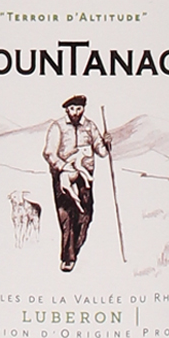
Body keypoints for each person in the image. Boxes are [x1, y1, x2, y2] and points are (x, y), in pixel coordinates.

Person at [43, 95, 111, 272]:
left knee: (85, 215)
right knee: (66, 216)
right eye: (72, 109)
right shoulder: (57, 127)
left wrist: (106, 143)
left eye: (79, 109)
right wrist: (63, 167)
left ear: (83, 109)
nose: (75, 112)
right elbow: (49, 153)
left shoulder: (90, 127)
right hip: (63, 175)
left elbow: (102, 152)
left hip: (85, 176)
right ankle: (68, 257)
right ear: (67, 109)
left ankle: (74, 248)